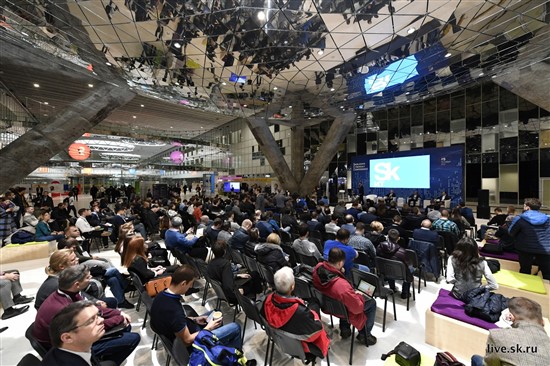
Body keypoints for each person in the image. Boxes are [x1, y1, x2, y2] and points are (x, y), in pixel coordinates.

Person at [34, 265, 140, 365]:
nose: (91, 278)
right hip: (68, 346)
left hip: (68, 340)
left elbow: (92, 310)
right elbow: (88, 327)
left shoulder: (68, 293)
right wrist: (119, 319)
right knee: (132, 337)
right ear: (77, 284)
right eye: (88, 277)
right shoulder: (64, 308)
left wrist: (118, 313)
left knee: (124, 326)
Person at [150, 264, 242, 349]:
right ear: (183, 284)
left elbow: (173, 322)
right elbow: (187, 340)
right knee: (235, 327)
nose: (190, 287)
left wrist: (194, 319)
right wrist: (208, 328)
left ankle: (217, 347)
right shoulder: (173, 309)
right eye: (190, 284)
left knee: (215, 313)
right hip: (192, 343)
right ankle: (232, 356)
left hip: (186, 329)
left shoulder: (161, 295)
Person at [260, 267, 330, 361]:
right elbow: (316, 332)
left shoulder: (266, 301)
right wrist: (313, 314)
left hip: (281, 341)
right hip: (302, 348)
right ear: (292, 286)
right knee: (314, 304)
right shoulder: (300, 312)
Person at [312, 247, 377, 346]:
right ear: (340, 263)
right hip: (342, 310)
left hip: (328, 305)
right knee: (372, 303)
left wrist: (339, 272)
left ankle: (345, 330)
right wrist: (358, 295)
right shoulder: (342, 286)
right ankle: (365, 335)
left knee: (343, 301)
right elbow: (357, 309)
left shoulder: (318, 267)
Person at [471, 297, 550, 366]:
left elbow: (489, 364)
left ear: (511, 317)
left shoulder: (499, 336)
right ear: (542, 321)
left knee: (476, 359)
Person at [41, 301, 109, 366]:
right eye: (91, 320)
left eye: (98, 314)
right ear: (68, 337)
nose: (101, 320)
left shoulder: (79, 347)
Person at [508, 198, 550, 280]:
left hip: (525, 248)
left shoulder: (519, 218)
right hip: (545, 249)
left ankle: (526, 290)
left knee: (525, 271)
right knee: (547, 273)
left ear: (527, 207)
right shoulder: (548, 218)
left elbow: (511, 232)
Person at [377, 229, 413, 299]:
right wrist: (412, 270)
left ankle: (392, 288)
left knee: (389, 266)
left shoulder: (379, 247)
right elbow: (409, 265)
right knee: (410, 271)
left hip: (385, 271)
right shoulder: (402, 252)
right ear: (398, 238)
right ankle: (405, 293)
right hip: (400, 274)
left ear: (387, 237)